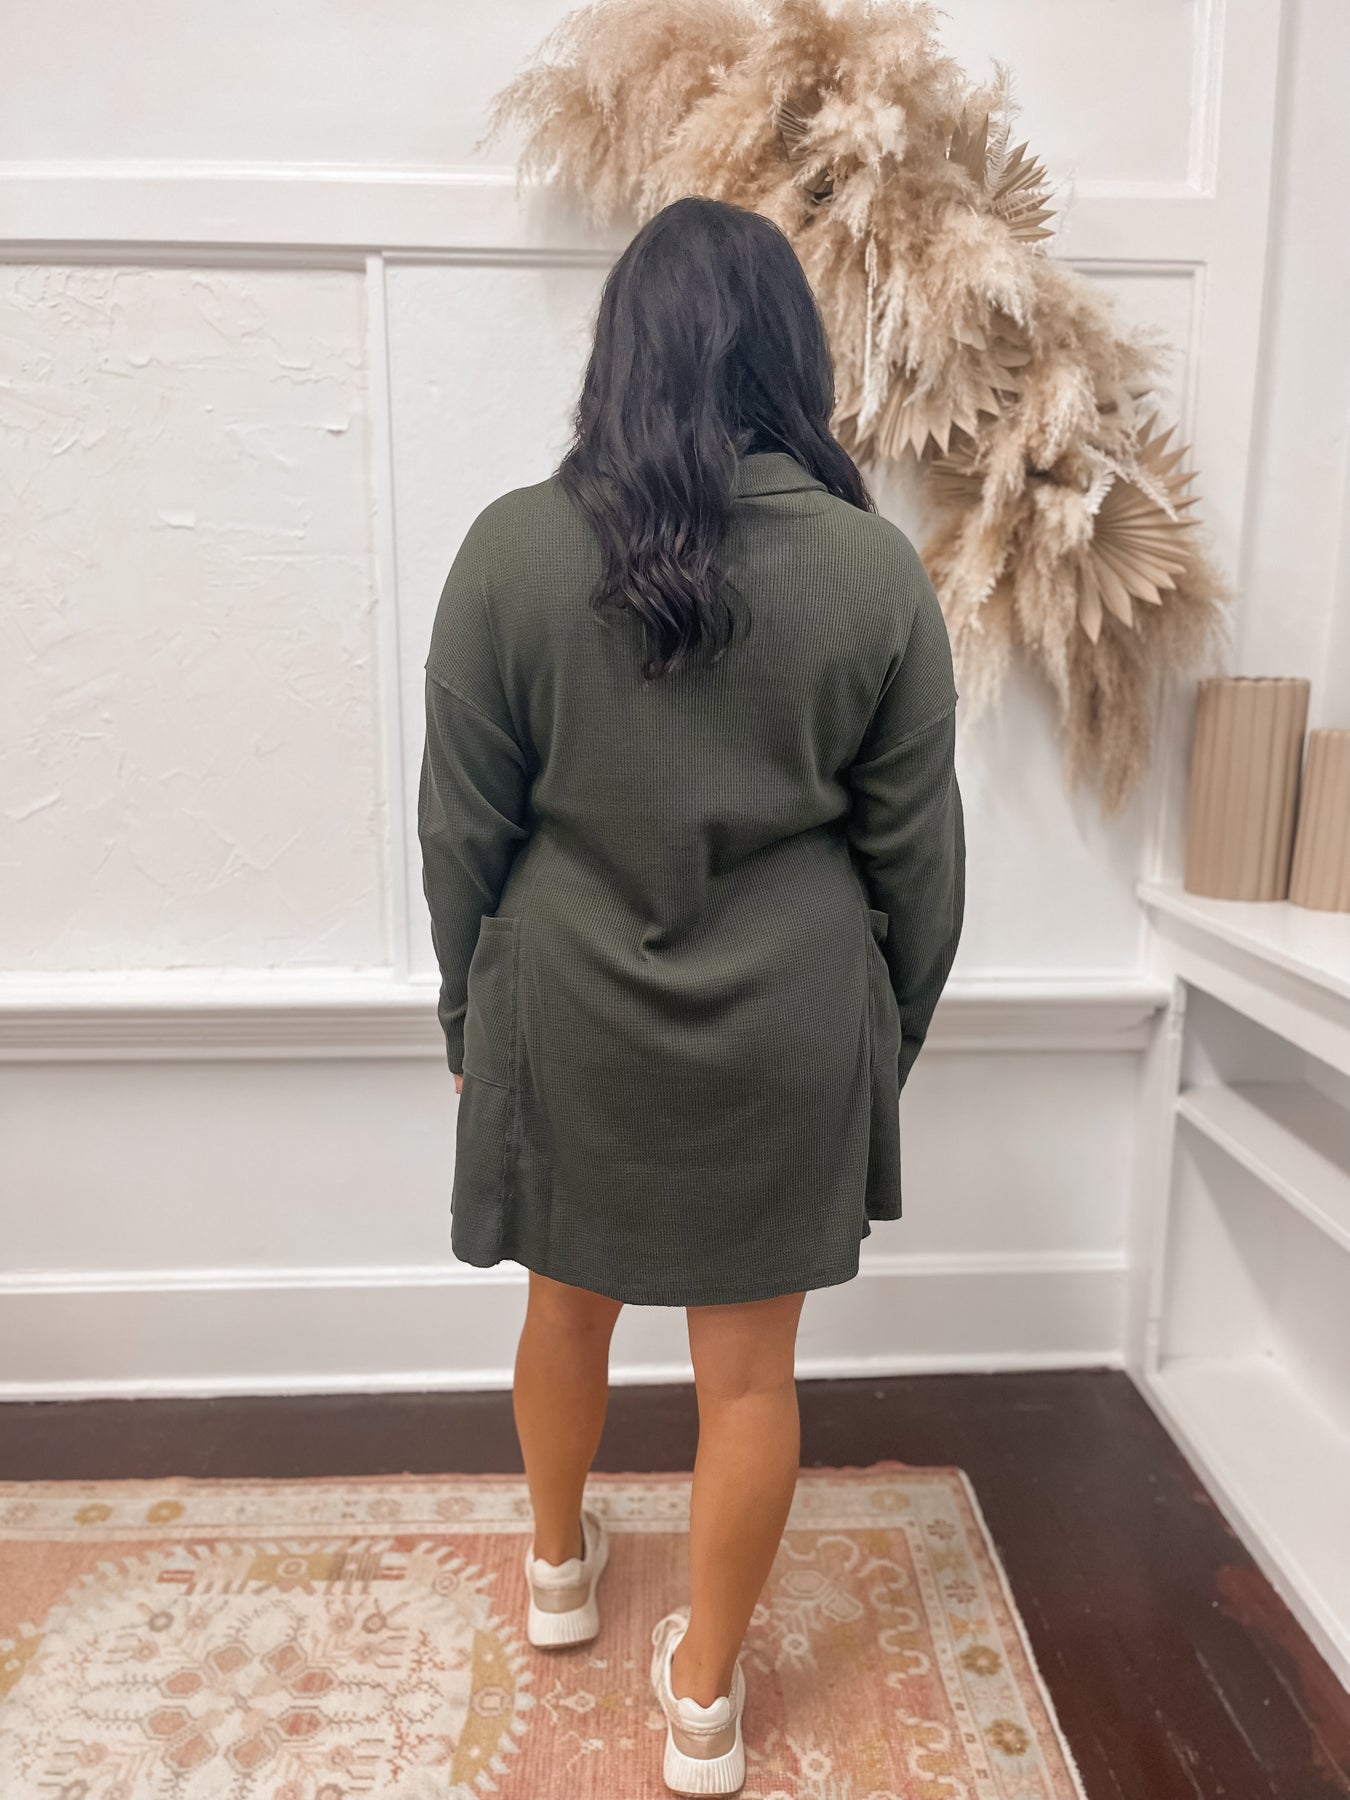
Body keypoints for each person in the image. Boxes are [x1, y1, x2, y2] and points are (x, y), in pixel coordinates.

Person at [417, 193, 965, 1797]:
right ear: (790, 356)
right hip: (789, 1025)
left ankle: (555, 1568)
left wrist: (464, 1018)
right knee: (748, 1379)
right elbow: (918, 858)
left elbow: (461, 829)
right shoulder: (871, 572)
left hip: (565, 1007)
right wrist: (883, 1039)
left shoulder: (510, 550)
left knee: (560, 1308)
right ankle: (706, 1704)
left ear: (622, 352)